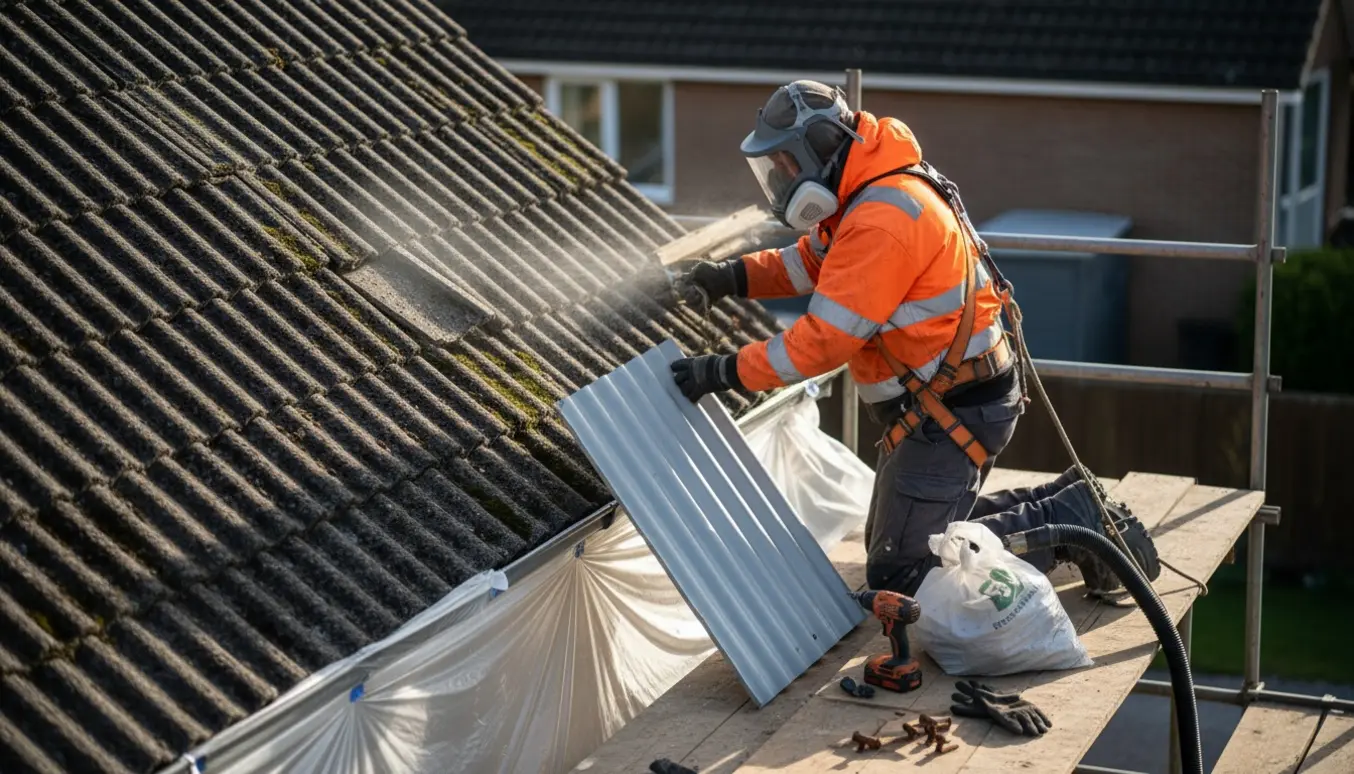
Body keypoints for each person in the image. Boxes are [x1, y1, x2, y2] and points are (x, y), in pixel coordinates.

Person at [669, 80, 1160, 597]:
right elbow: (811, 262)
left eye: (787, 165)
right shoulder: (865, 192)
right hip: (948, 403)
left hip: (952, 410)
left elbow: (822, 343)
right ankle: (1070, 503)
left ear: (818, 147)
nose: (783, 181)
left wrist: (721, 372)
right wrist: (729, 277)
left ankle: (1071, 525)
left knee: (903, 573)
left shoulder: (881, 220)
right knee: (903, 544)